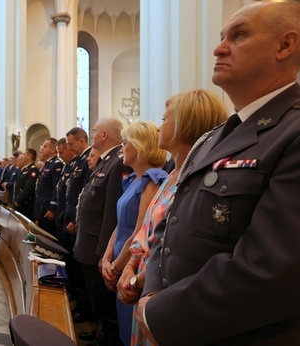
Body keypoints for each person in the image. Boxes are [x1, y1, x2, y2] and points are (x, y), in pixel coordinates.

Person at [136, 2, 300, 345]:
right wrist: (152, 293)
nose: (218, 47)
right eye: (221, 36)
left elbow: (273, 269)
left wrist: (160, 312)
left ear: (285, 45)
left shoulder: (292, 132)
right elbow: (169, 223)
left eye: (238, 35)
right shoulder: (214, 137)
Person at [113, 90, 227, 346]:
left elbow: (178, 244)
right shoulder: (173, 175)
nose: (158, 127)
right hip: (141, 283)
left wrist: (135, 279)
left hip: (161, 292)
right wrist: (130, 266)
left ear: (185, 126)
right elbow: (145, 230)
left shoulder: (195, 179)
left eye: (165, 119)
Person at [100, 121, 168, 345]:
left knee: (131, 331)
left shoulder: (152, 180)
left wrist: (117, 266)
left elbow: (140, 230)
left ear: (138, 147)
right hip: (120, 261)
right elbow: (120, 224)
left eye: (125, 142)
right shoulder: (133, 179)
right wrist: (107, 257)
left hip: (134, 265)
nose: (121, 148)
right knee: (121, 328)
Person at [73, 118, 132, 345]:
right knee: (96, 300)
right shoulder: (105, 161)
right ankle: (99, 332)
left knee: (105, 305)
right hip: (89, 244)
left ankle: (107, 339)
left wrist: (102, 254)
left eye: (95, 131)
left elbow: (111, 213)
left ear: (104, 135)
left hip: (97, 246)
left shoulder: (118, 163)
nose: (92, 134)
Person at [34, 137, 63, 237]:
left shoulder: (56, 164)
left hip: (47, 208)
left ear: (52, 149)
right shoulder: (47, 165)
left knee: (48, 238)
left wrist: (52, 208)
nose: (42, 148)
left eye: (45, 146)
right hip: (41, 207)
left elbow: (56, 187)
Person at [13, 149, 39, 220]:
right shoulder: (25, 169)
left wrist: (19, 200)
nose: (22, 156)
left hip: (26, 204)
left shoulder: (33, 170)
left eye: (24, 154)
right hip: (20, 203)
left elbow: (28, 187)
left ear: (29, 156)